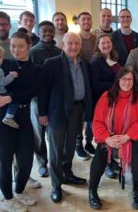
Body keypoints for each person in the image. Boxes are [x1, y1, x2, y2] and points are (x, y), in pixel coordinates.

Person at [0, 29, 42, 212]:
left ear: (29, 46)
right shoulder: (0, 63)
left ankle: (20, 190)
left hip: (23, 115)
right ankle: (7, 198)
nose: (16, 50)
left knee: (26, 160)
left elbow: (32, 92)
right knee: (4, 161)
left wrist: (9, 98)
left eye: (21, 46)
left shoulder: (36, 68)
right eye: (13, 46)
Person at [39, 32, 92, 203]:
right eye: (70, 43)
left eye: (77, 43)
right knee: (55, 150)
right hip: (57, 112)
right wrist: (42, 113)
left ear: (80, 45)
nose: (74, 46)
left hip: (77, 111)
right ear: (63, 45)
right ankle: (56, 185)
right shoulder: (51, 63)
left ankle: (67, 174)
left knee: (69, 148)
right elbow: (43, 91)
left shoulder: (84, 63)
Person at [88, 67, 138, 210]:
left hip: (133, 135)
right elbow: (97, 121)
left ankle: (136, 190)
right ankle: (92, 190)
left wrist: (127, 137)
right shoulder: (106, 96)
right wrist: (107, 138)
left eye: (130, 79)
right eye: (124, 79)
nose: (127, 82)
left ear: (134, 81)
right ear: (118, 80)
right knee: (100, 153)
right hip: (111, 136)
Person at [29, 20, 62, 177]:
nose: (48, 33)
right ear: (38, 32)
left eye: (50, 30)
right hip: (37, 100)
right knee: (39, 134)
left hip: (54, 99)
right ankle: (42, 163)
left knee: (54, 133)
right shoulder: (33, 52)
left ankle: (57, 162)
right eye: (44, 31)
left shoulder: (59, 51)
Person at [90, 33, 122, 179]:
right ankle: (106, 165)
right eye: (102, 43)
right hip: (103, 103)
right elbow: (95, 84)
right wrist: (116, 85)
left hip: (115, 102)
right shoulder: (96, 61)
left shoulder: (114, 59)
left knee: (114, 131)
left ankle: (112, 160)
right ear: (98, 45)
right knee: (105, 134)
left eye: (108, 43)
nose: (106, 45)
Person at [76, 11, 97, 160]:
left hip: (94, 80)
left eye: (88, 19)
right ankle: (78, 144)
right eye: (83, 19)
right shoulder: (75, 39)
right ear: (78, 22)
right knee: (79, 115)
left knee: (91, 113)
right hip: (80, 79)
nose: (86, 22)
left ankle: (89, 142)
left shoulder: (96, 39)